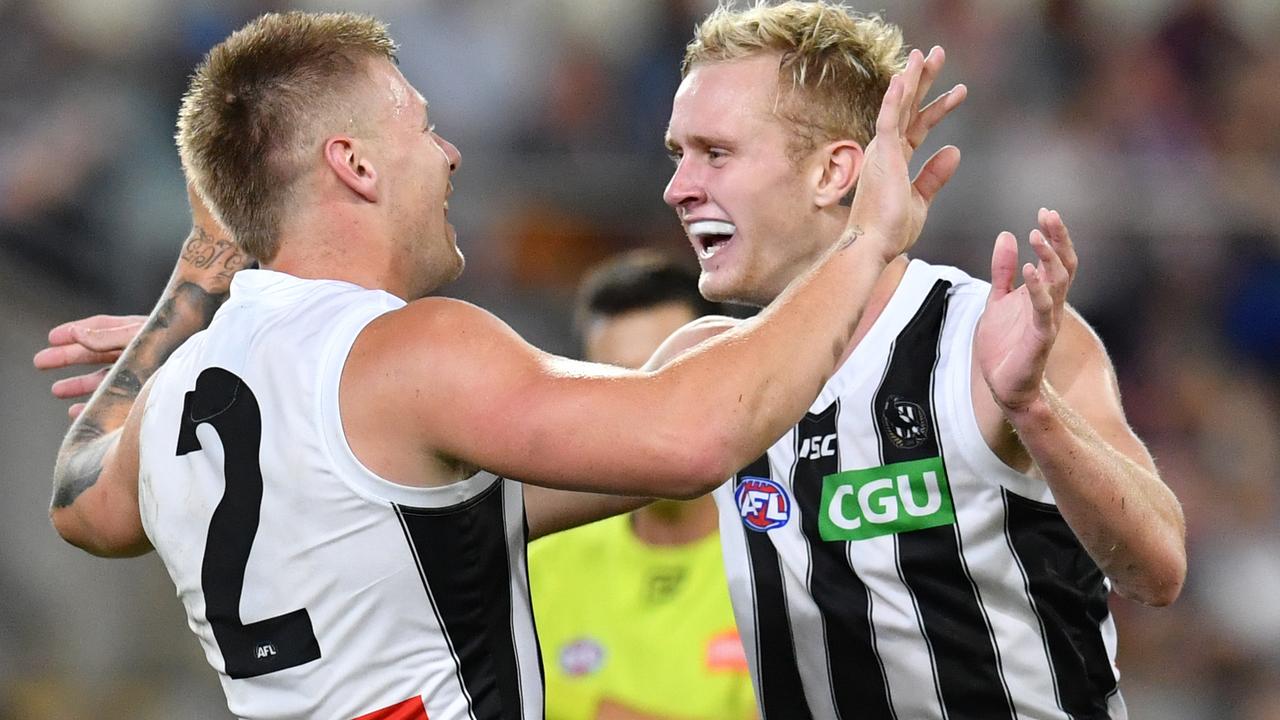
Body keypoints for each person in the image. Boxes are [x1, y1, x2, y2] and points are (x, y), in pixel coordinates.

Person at [36, 9, 965, 720]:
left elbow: (82, 499)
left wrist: (195, 282)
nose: (449, 154)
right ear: (354, 164)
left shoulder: (177, 404)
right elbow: (689, 437)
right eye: (420, 126)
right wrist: (866, 240)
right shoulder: (413, 351)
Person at [640, 3, 1185, 719]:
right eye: (679, 155)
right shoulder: (702, 367)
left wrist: (1035, 414)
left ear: (834, 172)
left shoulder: (987, 339)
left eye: (716, 153)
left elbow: (1158, 571)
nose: (678, 189)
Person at [528, 251, 756, 720]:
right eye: (612, 382)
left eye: (663, 381)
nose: (637, 410)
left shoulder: (788, 554)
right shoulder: (536, 560)